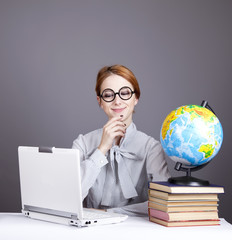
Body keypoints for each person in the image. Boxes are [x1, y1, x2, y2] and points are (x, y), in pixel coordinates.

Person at [72, 64, 170, 216]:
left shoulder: (151, 148)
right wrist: (101, 149)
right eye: (109, 95)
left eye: (125, 93)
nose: (117, 101)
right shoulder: (82, 143)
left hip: (137, 232)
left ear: (136, 98)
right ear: (100, 101)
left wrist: (107, 212)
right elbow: (69, 198)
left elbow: (163, 203)